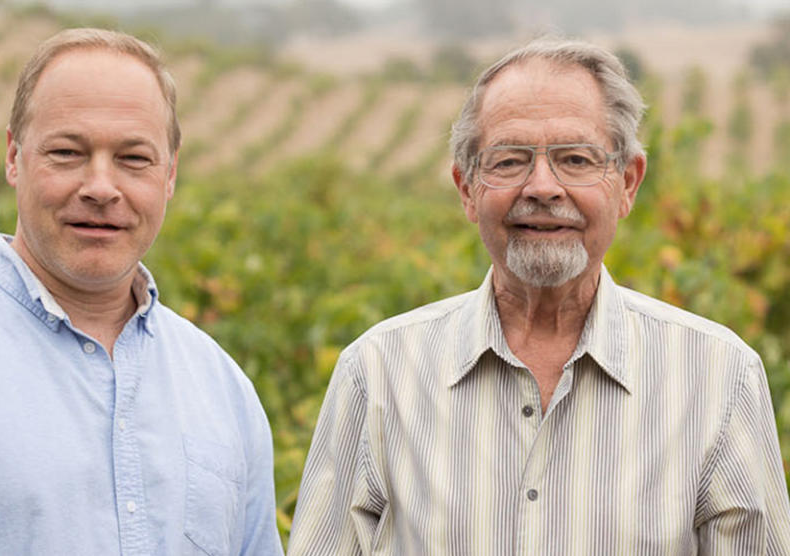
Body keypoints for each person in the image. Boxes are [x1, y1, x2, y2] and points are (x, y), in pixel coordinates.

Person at [288, 38, 790, 554]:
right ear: (467, 188)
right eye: (509, 161)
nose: (543, 187)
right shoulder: (377, 373)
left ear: (628, 184)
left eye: (576, 159)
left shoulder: (718, 376)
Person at [0, 28, 283, 556]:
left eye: (134, 159)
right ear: (12, 157)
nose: (100, 187)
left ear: (171, 173)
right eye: (67, 152)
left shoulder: (223, 387)